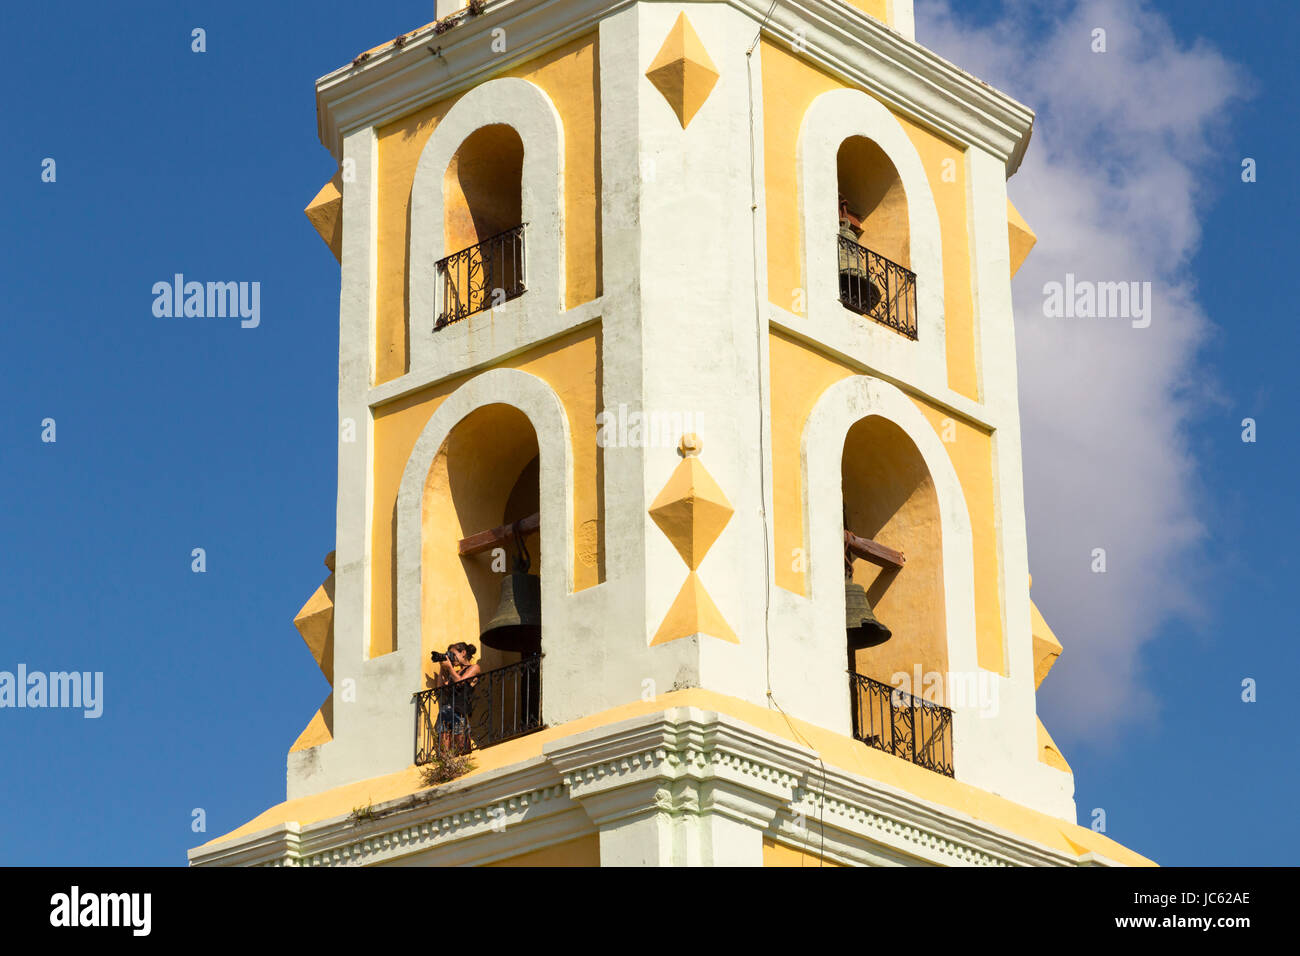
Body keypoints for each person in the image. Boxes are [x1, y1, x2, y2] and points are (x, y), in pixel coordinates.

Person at [432, 642, 480, 756]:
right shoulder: (454, 672)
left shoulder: (474, 668)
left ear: (463, 653)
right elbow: (440, 689)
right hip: (445, 711)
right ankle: (446, 765)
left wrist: (450, 668)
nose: (452, 658)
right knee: (444, 748)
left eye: (453, 654)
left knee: (462, 745)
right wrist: (442, 669)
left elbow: (461, 682)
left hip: (459, 711)